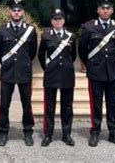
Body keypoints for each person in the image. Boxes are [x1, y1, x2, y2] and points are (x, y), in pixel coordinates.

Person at [78, 0, 115, 147]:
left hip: (113, 71)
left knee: (113, 104)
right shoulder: (88, 27)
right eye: (102, 8)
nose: (105, 11)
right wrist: (91, 63)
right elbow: (82, 49)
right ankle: (95, 132)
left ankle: (114, 133)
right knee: (96, 104)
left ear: (112, 10)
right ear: (98, 10)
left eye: (108, 8)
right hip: (95, 71)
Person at [0, 0, 38, 146]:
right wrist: (6, 63)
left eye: (19, 10)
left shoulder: (30, 30)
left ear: (23, 12)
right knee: (4, 104)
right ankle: (3, 131)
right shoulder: (2, 30)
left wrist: (23, 63)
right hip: (7, 72)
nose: (16, 13)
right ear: (10, 12)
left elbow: (32, 52)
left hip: (24, 72)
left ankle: (28, 131)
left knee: (26, 104)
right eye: (14, 10)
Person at [38, 9, 76, 147]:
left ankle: (67, 134)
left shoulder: (71, 36)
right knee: (50, 106)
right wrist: (47, 68)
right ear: (51, 21)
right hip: (51, 75)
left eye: (60, 18)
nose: (57, 21)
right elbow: (41, 55)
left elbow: (73, 55)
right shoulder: (46, 36)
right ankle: (48, 135)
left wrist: (66, 66)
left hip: (66, 75)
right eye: (55, 19)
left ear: (64, 20)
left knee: (67, 107)